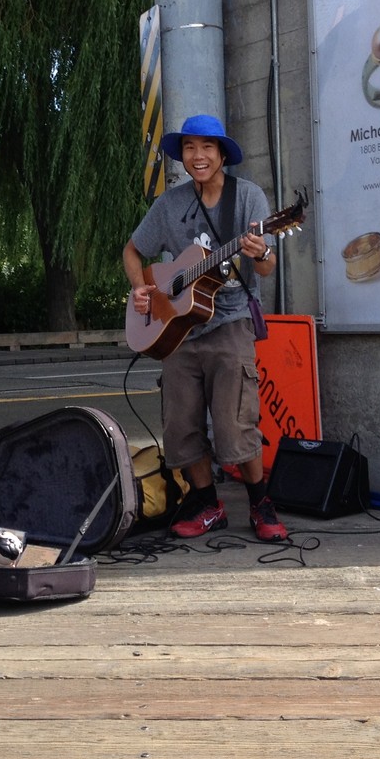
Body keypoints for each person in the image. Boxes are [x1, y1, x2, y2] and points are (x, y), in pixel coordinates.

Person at [123, 113, 288, 542]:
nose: (198, 156)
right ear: (182, 155)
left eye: (207, 147)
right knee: (181, 425)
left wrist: (259, 251)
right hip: (177, 330)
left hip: (230, 322)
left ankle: (259, 502)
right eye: (190, 148)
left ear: (221, 155)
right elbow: (132, 250)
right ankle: (207, 503)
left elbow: (266, 268)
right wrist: (142, 289)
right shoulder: (169, 205)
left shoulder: (247, 197)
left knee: (236, 421)